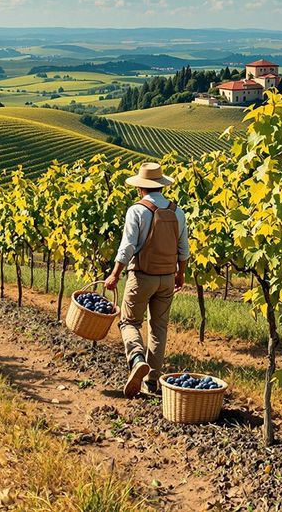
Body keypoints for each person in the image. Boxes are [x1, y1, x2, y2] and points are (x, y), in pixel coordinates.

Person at [103, 162, 189, 398]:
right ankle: (151, 382)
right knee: (158, 329)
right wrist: (180, 273)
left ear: (141, 188)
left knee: (128, 322)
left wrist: (115, 274)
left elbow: (127, 247)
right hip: (166, 279)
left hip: (142, 277)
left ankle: (137, 359)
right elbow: (184, 249)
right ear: (160, 186)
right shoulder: (177, 211)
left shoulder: (137, 210)